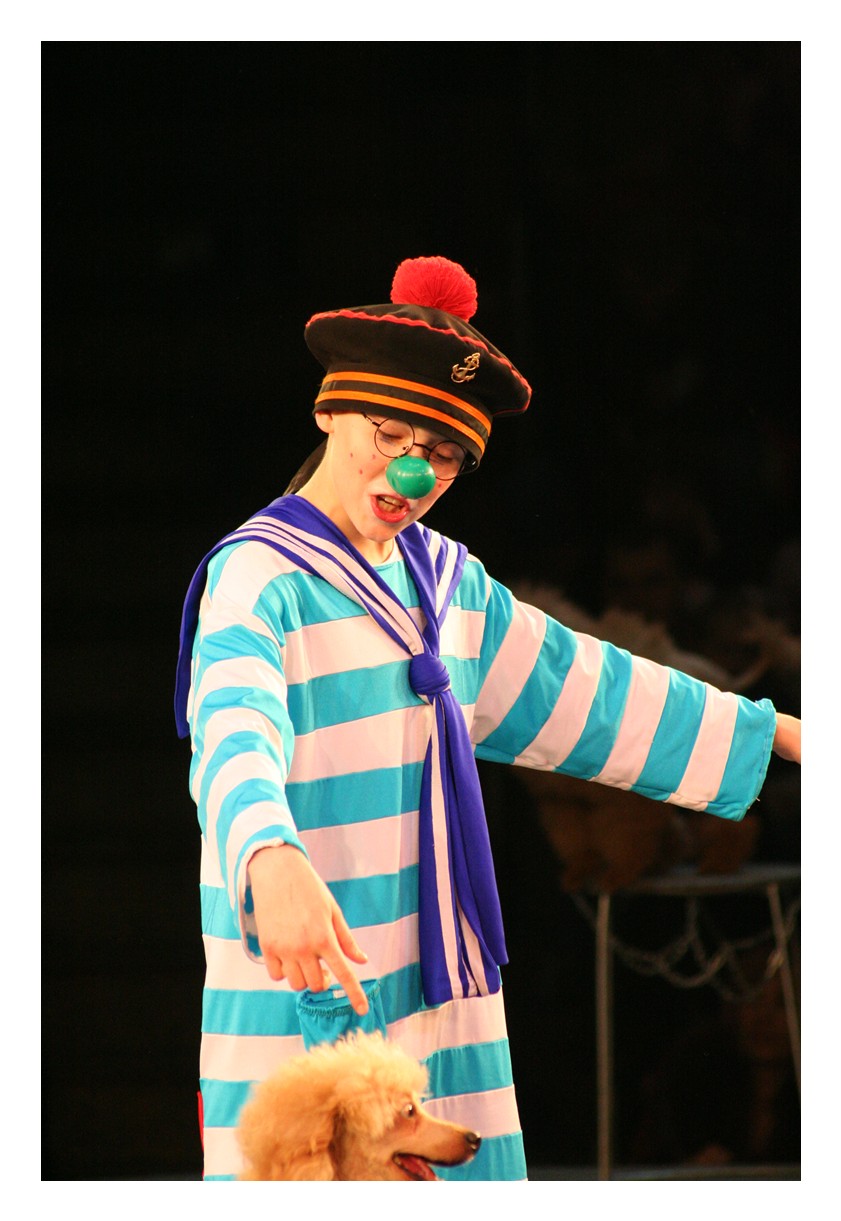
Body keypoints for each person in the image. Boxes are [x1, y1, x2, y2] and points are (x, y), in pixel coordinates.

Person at [174, 255, 801, 1181]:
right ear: (328, 414)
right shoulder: (259, 575)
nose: (413, 469)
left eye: (443, 454)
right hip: (315, 961)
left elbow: (582, 683)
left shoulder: (445, 580)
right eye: (389, 434)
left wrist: (774, 732)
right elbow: (234, 723)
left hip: (442, 982)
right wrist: (267, 854)